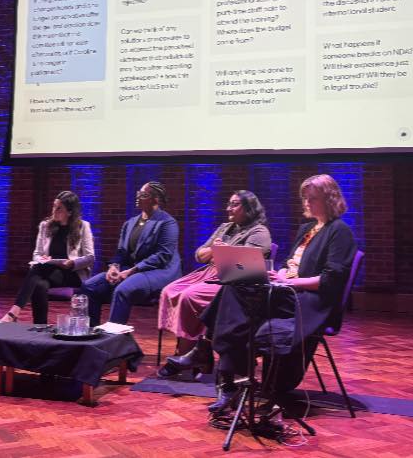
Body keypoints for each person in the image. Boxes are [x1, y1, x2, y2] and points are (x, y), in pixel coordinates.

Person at [202, 174, 358, 414]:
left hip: (308, 300)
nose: (306, 203)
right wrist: (281, 273)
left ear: (329, 199)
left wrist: (288, 281)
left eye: (312, 199)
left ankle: (217, 364)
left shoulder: (339, 231)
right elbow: (290, 261)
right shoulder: (307, 228)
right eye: (304, 198)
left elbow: (330, 281)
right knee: (235, 286)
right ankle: (228, 379)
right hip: (286, 291)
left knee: (233, 297)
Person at [157, 190, 271, 377]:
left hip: (232, 279)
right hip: (208, 272)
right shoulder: (225, 227)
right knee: (170, 290)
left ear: (249, 208)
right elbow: (200, 254)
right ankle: (197, 354)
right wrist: (214, 250)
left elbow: (250, 263)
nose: (228, 208)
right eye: (229, 203)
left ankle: (187, 355)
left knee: (189, 296)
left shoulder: (259, 231)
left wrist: (225, 251)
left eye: (234, 204)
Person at [81, 181, 181, 326]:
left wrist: (132, 271)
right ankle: (92, 335)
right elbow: (121, 252)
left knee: (123, 290)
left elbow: (163, 256)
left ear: (156, 199)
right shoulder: (130, 223)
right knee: (89, 286)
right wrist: (114, 267)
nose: (138, 197)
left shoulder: (167, 222)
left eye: (143, 195)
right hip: (132, 270)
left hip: (158, 271)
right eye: (137, 194)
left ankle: (113, 340)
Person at [0, 190, 94, 324]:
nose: (54, 210)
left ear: (70, 212)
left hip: (72, 273)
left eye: (59, 208)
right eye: (54, 206)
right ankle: (40, 326)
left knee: (37, 271)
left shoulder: (83, 226)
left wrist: (72, 263)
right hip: (49, 271)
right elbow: (37, 254)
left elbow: (90, 257)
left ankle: (14, 312)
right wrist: (43, 260)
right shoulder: (45, 226)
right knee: (39, 284)